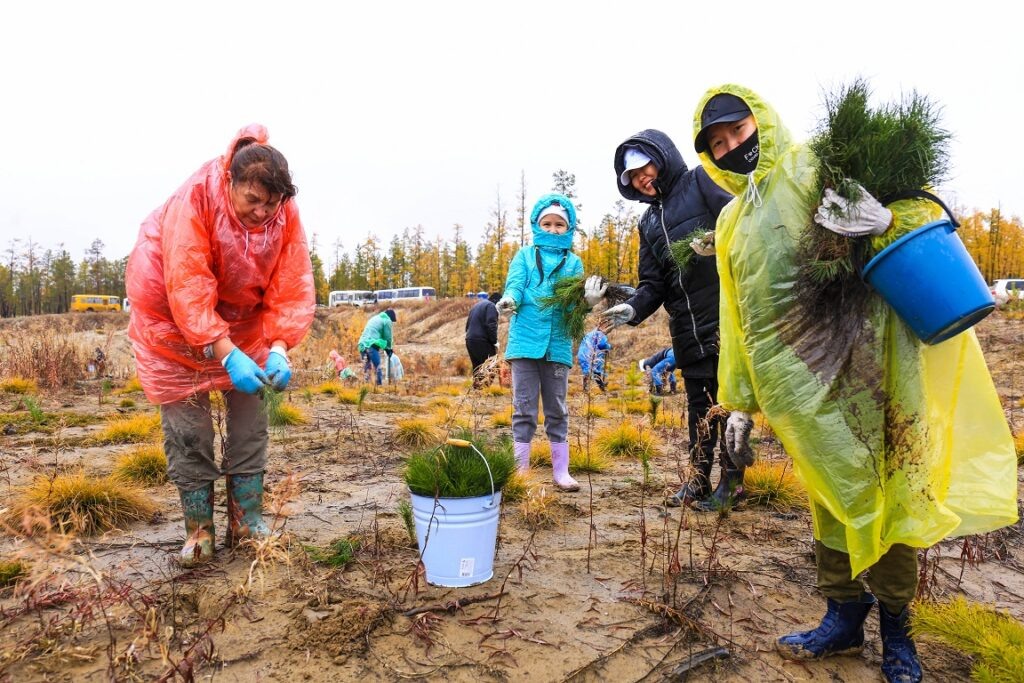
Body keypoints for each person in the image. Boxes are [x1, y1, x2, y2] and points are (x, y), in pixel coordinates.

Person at [692, 84, 1018, 683]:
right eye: (717, 143)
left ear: (760, 120)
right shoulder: (730, 220)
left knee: (890, 495)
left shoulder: (817, 165)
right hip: (796, 392)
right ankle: (842, 614)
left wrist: (887, 221)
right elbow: (736, 319)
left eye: (738, 130)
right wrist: (736, 404)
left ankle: (899, 631)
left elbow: (920, 215)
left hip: (868, 368)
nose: (732, 146)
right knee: (830, 497)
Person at [125, 124, 315, 567]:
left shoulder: (283, 212)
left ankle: (246, 521)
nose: (263, 212)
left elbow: (292, 282)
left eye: (272, 203)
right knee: (189, 431)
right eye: (253, 201)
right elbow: (187, 284)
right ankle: (198, 529)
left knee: (251, 420)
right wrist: (222, 350)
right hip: (170, 323)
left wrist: (281, 347)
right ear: (230, 181)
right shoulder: (195, 199)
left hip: (244, 322)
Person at [600, 129, 734, 510]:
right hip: (686, 328)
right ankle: (697, 481)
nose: (642, 179)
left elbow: (740, 220)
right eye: (633, 177)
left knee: (729, 404)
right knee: (698, 409)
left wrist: (720, 239)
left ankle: (730, 482)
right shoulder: (647, 223)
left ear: (662, 157)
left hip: (727, 319)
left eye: (644, 168)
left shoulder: (701, 181)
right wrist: (633, 308)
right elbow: (652, 283)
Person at [497, 193, 598, 492]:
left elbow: (573, 307)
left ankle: (561, 472)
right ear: (537, 224)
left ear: (568, 228)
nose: (553, 229)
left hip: (558, 346)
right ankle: (521, 470)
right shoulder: (525, 256)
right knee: (524, 407)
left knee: (557, 407)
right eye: (547, 223)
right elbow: (515, 284)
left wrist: (588, 302)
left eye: (559, 224)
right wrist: (510, 299)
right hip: (524, 344)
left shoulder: (574, 263)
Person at [465, 291, 501, 388]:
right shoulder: (491, 306)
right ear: (497, 301)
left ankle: (477, 389)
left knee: (477, 366)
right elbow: (491, 325)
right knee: (493, 365)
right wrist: (495, 341)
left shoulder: (477, 305)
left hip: (469, 339)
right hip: (482, 340)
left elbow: (467, 325)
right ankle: (485, 389)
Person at [358, 308, 396, 385]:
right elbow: (388, 337)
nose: (391, 323)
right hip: (371, 344)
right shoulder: (387, 320)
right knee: (377, 366)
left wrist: (385, 348)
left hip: (362, 344)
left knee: (367, 367)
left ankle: (367, 385)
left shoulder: (375, 318)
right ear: (391, 317)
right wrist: (389, 349)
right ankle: (378, 385)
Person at [577, 319, 612, 392]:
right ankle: (591, 388)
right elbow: (602, 345)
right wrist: (608, 346)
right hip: (589, 354)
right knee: (592, 370)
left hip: (583, 353)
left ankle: (600, 386)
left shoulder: (591, 333)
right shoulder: (599, 333)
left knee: (590, 371)